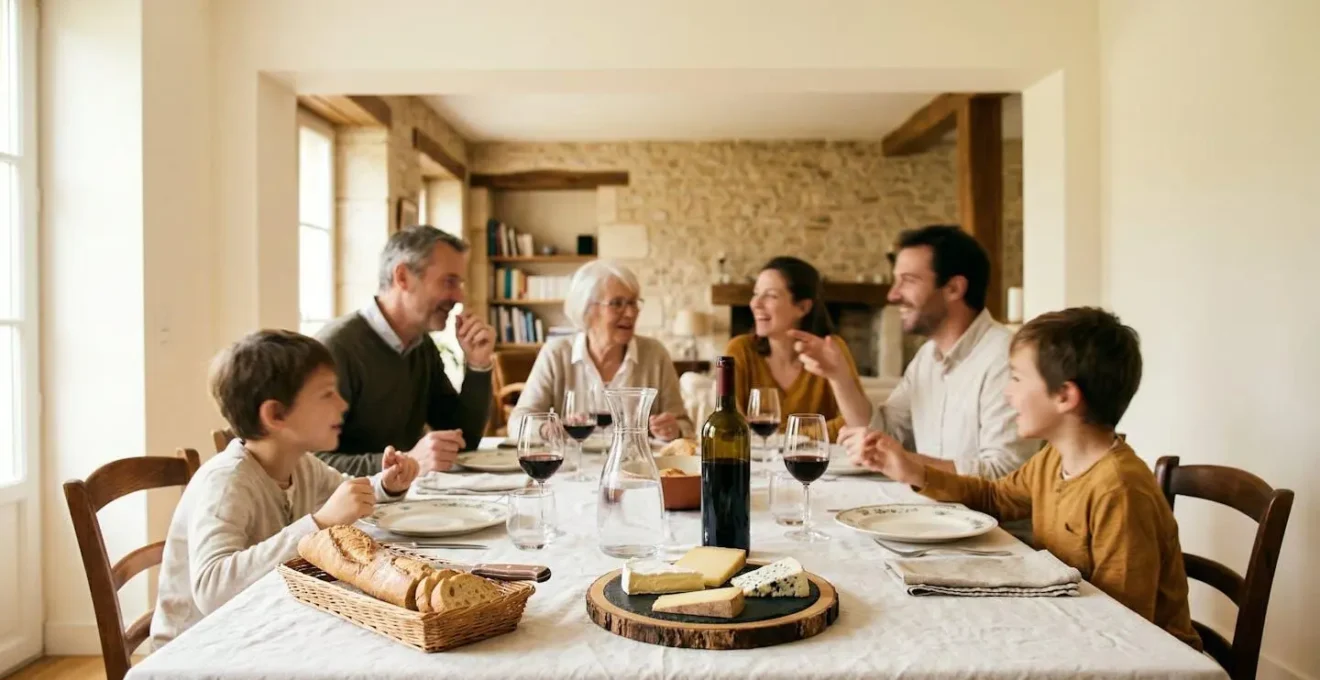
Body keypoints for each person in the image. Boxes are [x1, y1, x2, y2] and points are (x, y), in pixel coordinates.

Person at [846, 308, 1201, 650]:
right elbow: (995, 498)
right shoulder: (1053, 457)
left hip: (1136, 655)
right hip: (1074, 623)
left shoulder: (1119, 489)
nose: (1007, 393)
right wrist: (913, 470)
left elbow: (1123, 623)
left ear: (1064, 396)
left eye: (1016, 378)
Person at [150, 330, 419, 649]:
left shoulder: (302, 465)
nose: (343, 403)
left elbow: (346, 497)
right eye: (326, 394)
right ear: (276, 415)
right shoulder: (226, 482)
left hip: (260, 627)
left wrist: (387, 484)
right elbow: (212, 589)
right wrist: (318, 525)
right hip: (199, 651)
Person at [803, 225, 1034, 479]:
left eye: (909, 281)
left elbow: (1006, 475)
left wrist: (900, 460)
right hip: (930, 511)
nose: (892, 294)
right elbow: (887, 433)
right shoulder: (927, 357)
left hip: (983, 518)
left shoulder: (1006, 359)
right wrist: (839, 376)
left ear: (954, 288)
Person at [315, 226, 496, 476]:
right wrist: (406, 462)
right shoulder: (335, 349)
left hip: (404, 504)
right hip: (351, 510)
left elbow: (463, 441)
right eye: (449, 281)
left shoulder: (421, 346)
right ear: (402, 277)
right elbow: (310, 463)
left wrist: (478, 364)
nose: (459, 296)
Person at [515, 260, 692, 441]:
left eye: (633, 303)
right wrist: (546, 428)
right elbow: (518, 421)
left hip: (634, 465)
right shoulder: (557, 354)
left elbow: (684, 424)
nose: (631, 313)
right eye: (617, 303)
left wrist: (673, 429)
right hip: (575, 465)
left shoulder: (655, 354)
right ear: (587, 309)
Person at [723, 256, 865, 440]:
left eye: (771, 295)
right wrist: (806, 434)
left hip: (818, 464)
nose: (755, 304)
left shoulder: (831, 350)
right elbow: (729, 420)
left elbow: (855, 421)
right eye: (756, 293)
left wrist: (785, 439)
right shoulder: (740, 349)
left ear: (803, 307)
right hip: (757, 465)